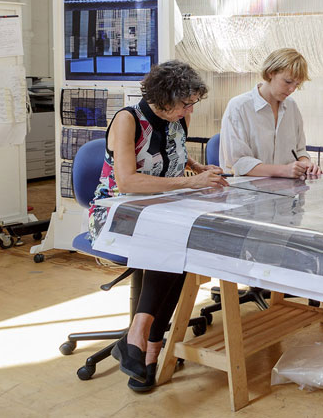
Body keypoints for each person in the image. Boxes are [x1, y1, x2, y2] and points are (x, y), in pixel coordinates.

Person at [89, 60, 227, 392]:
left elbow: (174, 151)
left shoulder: (180, 115)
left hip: (162, 208)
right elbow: (128, 181)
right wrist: (191, 184)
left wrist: (196, 166)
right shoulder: (127, 120)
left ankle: (145, 347)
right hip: (115, 211)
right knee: (172, 244)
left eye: (193, 102)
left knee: (180, 245)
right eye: (185, 103)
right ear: (163, 98)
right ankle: (143, 342)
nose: (189, 109)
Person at [219, 47, 323, 333]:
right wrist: (284, 169)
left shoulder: (290, 108)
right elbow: (237, 163)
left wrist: (307, 164)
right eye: (288, 82)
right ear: (270, 74)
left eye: (297, 84)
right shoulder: (239, 107)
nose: (292, 89)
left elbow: (300, 150)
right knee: (298, 246)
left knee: (321, 237)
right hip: (248, 199)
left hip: (285, 197)